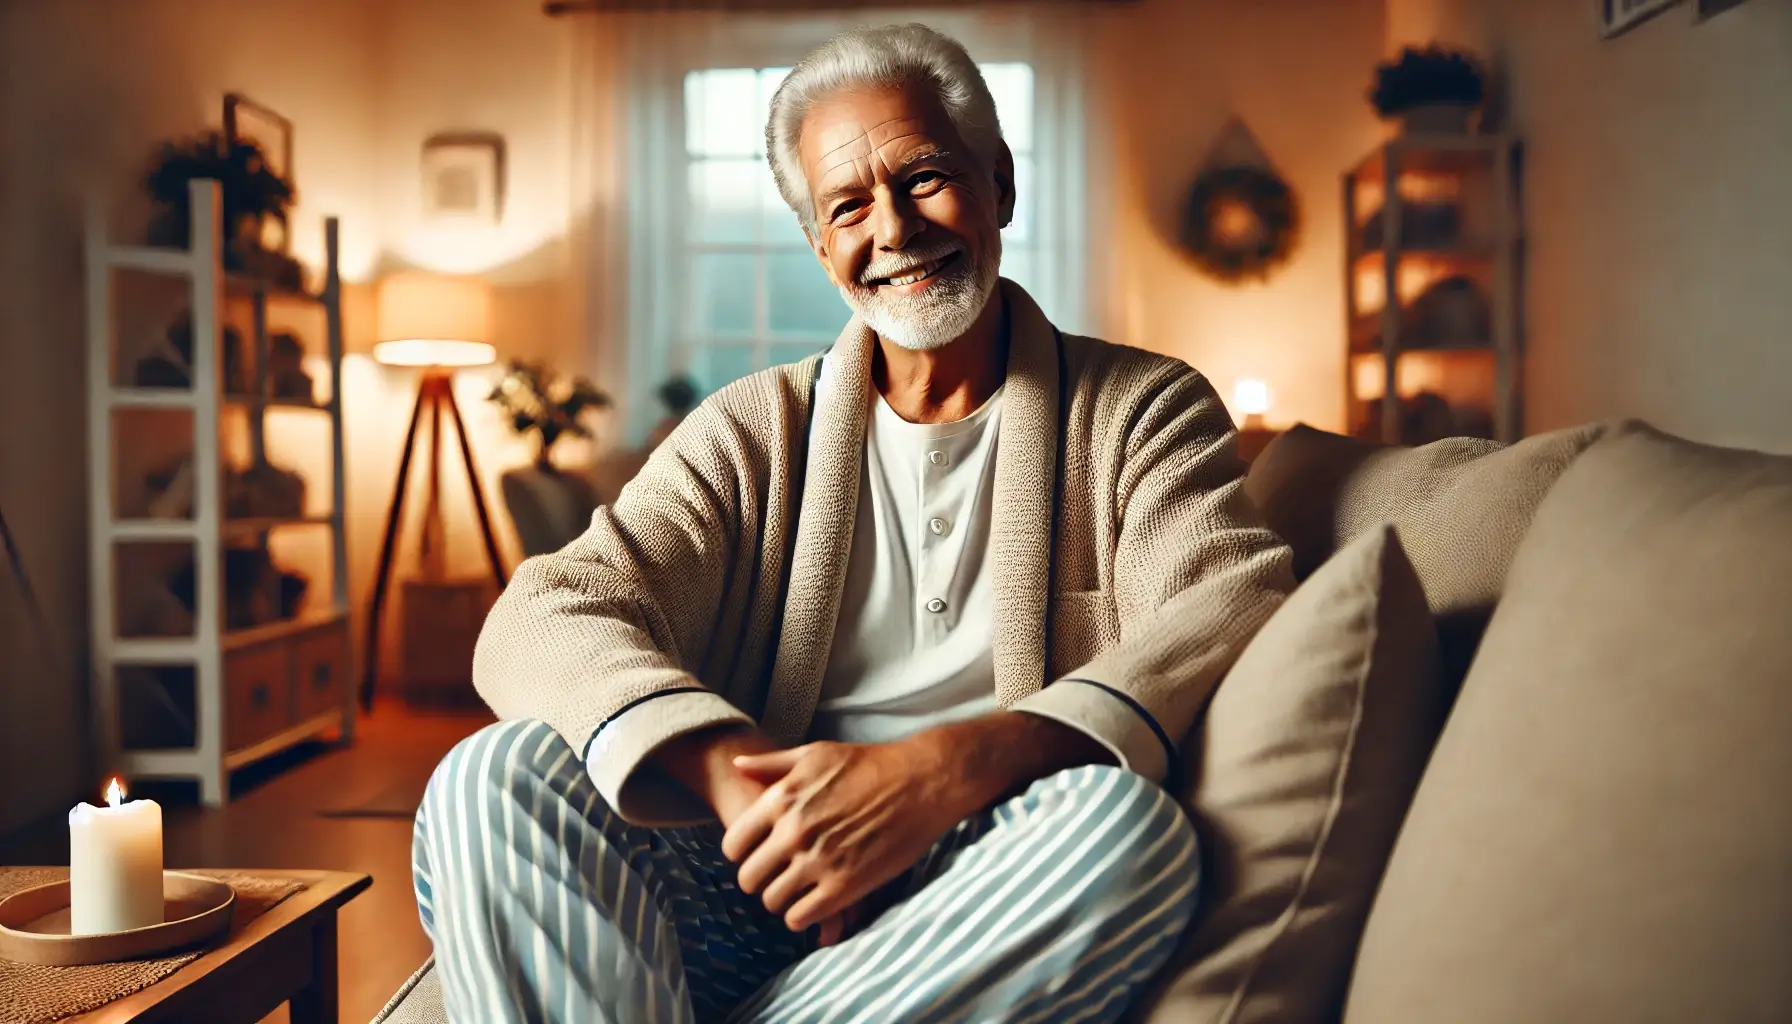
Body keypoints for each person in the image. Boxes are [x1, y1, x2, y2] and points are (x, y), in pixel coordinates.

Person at [413, 22, 1293, 1023]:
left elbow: (1232, 603)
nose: (894, 229)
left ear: (998, 184)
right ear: (820, 245)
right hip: (758, 874)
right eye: (848, 206)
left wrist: (935, 774)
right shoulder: (750, 430)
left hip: (991, 885)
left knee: (1127, 834)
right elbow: (542, 612)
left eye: (923, 177)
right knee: (492, 774)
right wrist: (742, 786)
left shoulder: (1142, 408)